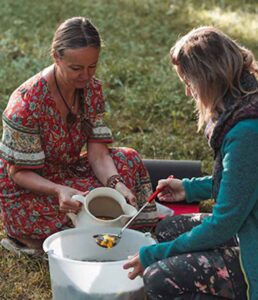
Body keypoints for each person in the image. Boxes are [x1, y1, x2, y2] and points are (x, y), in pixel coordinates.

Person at [0, 16, 158, 253]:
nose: (86, 75)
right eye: (76, 68)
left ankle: (108, 231)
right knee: (77, 207)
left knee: (128, 160)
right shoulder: (27, 103)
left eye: (92, 66)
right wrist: (58, 190)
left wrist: (117, 185)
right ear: (56, 57)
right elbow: (18, 172)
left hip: (67, 173)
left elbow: (98, 155)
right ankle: (33, 241)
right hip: (29, 190)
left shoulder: (91, 88)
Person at [123, 26, 258, 300]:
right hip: (247, 225)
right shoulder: (243, 103)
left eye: (189, 81)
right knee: (168, 229)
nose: (188, 92)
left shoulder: (247, 131)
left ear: (208, 78)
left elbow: (223, 224)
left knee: (159, 277)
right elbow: (244, 180)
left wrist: (153, 255)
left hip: (251, 250)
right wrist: (189, 188)